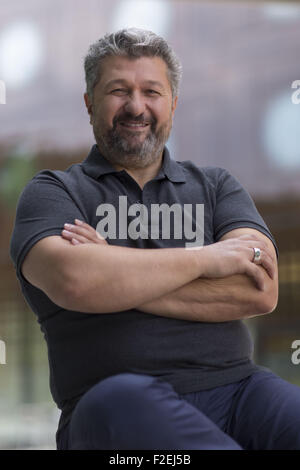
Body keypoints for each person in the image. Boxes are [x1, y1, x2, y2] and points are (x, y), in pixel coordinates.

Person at [9, 28, 300, 451]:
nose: (136, 106)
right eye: (118, 90)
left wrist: (113, 272)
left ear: (173, 105)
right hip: (115, 406)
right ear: (89, 103)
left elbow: (260, 290)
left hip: (240, 393)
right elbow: (74, 281)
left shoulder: (217, 187)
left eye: (151, 91)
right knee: (117, 401)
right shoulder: (54, 192)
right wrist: (208, 260)